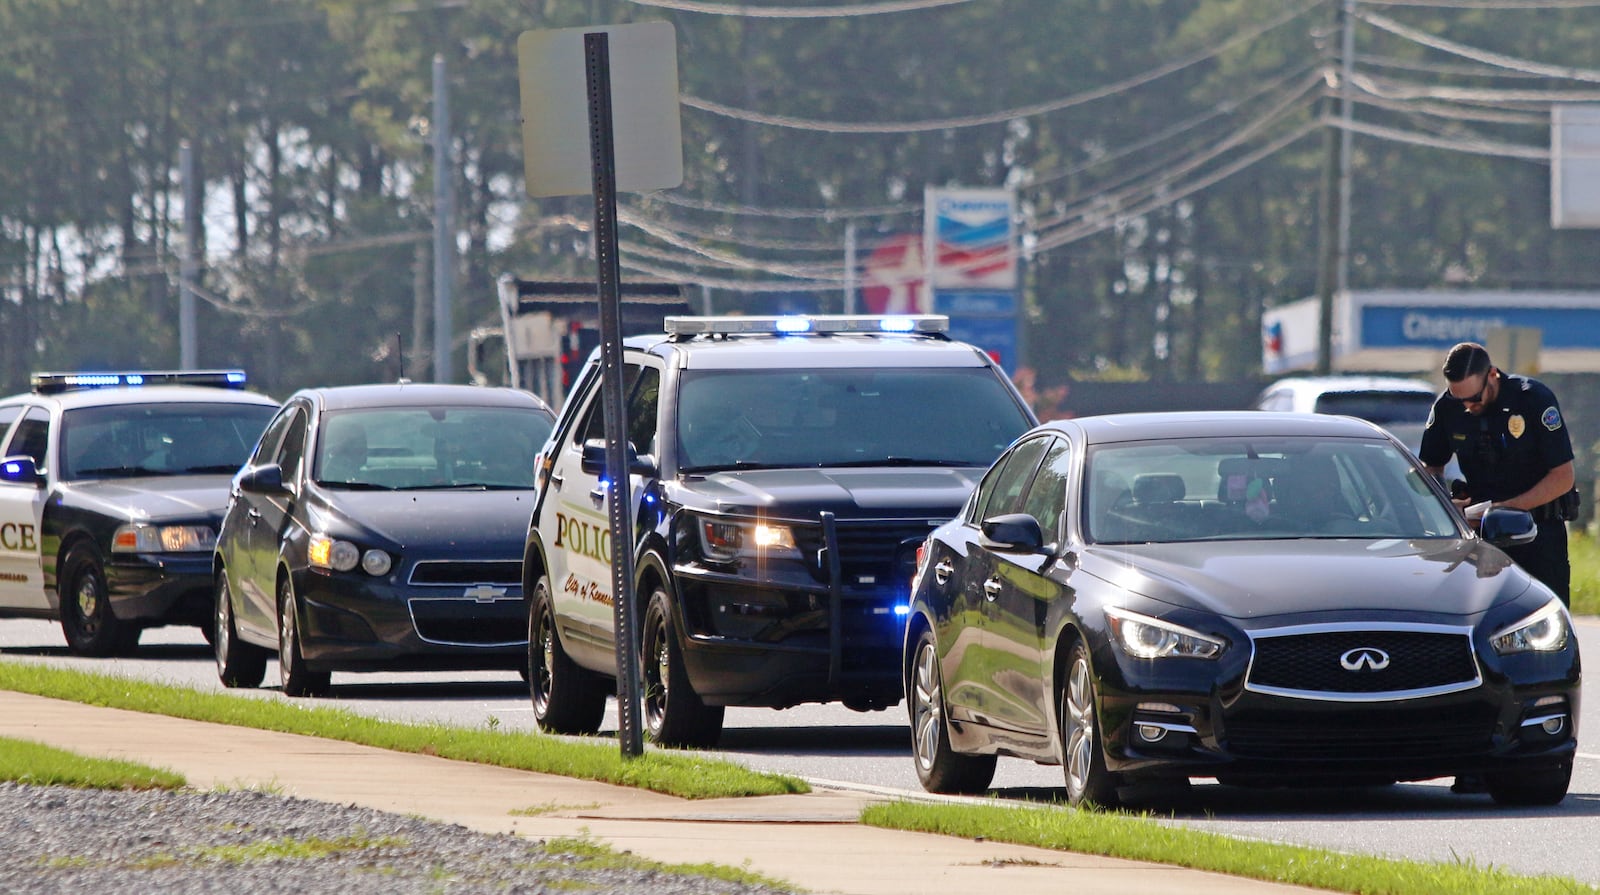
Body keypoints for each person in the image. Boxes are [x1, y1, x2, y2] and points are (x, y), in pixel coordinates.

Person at [1419, 342, 1577, 796]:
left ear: (1492, 376)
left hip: (1537, 531)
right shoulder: (1448, 407)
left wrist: (1504, 507)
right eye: (1458, 399)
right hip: (1479, 541)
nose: (1466, 407)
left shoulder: (1533, 400)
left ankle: (1542, 753)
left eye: (1474, 398)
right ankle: (1473, 759)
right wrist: (1443, 505)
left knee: (1541, 646)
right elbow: (1428, 468)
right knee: (1479, 641)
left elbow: (1562, 476)